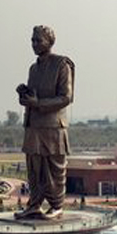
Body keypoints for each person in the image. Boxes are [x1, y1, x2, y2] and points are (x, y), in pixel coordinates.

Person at [15, 25, 75, 221]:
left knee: (54, 168)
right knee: (34, 168)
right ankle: (34, 204)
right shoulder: (34, 68)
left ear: (49, 42)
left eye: (38, 40)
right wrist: (25, 95)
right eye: (32, 40)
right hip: (33, 126)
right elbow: (34, 97)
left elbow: (66, 97)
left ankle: (57, 205)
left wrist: (38, 103)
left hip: (53, 127)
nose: (34, 44)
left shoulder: (62, 65)